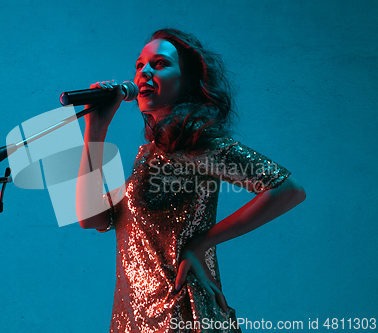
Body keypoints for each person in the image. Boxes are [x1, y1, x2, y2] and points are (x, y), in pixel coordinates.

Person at [75, 28, 306, 333]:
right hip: (134, 316)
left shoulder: (197, 141)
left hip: (178, 315)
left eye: (158, 64)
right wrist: (96, 129)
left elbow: (289, 189)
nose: (143, 72)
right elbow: (90, 217)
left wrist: (202, 241)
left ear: (185, 81)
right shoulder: (150, 155)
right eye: (139, 65)